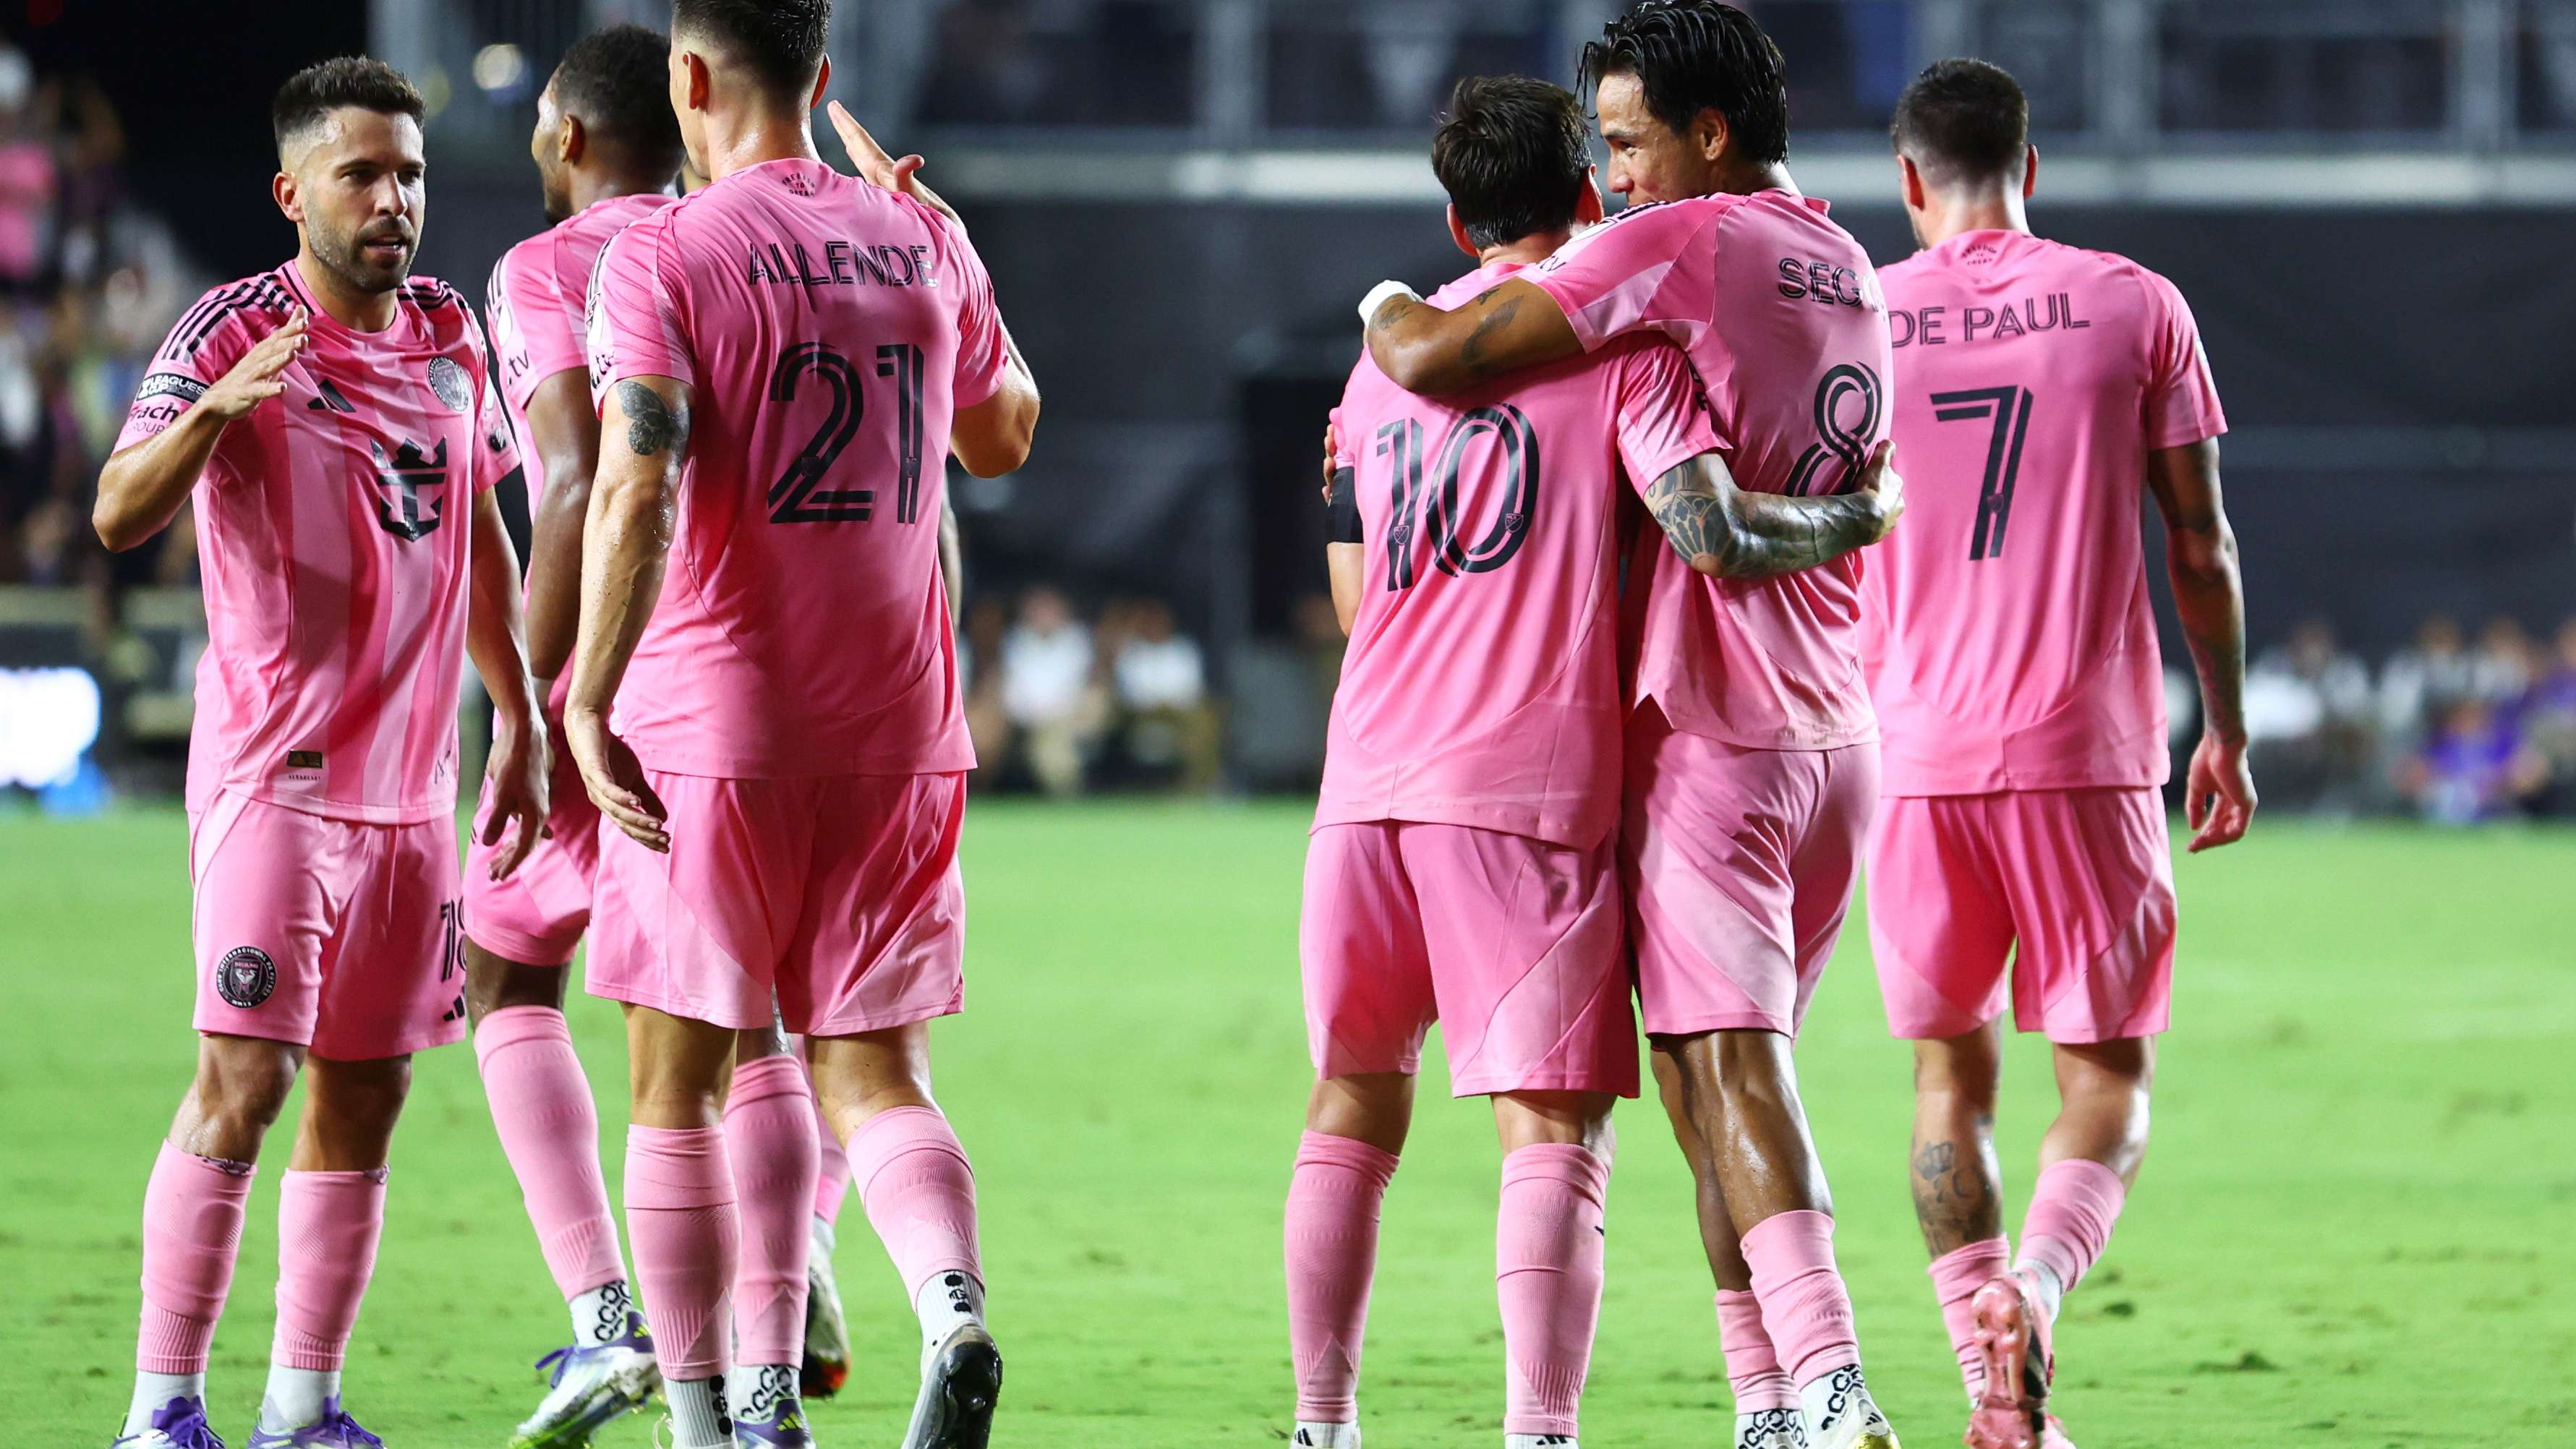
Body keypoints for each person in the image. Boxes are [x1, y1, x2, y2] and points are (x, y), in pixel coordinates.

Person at [1308, 68, 1901, 1449]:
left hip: (1704, 738)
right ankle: (1762, 1406)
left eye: (1633, 142)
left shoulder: (1661, 264)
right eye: (1603, 154)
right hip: (1835, 730)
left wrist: (1384, 306)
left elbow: (1437, 378)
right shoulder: (1841, 256)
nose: (1619, 180)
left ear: (1708, 133)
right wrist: (1865, 511)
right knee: (1711, 1084)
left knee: (1715, 1077)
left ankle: (1825, 1386)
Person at [566, 1, 1040, 1444]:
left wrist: (584, 694)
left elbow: (636, 482)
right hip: (902, 726)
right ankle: (949, 1305)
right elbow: (1004, 433)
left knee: (681, 1081)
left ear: (687, 78)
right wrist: (948, 247)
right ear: (823, 78)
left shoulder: (661, 251)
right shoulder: (918, 235)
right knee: (872, 1071)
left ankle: (720, 1424)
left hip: (714, 729)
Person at [93, 56, 548, 1449]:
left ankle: (303, 1406)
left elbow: (477, 524)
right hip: (277, 786)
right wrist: (217, 414)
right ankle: (161, 1410)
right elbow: (118, 510)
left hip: (414, 797)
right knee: (245, 1082)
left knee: (369, 1091)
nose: (392, 198)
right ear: (294, 193)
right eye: (362, 173)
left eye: (407, 172)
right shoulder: (231, 326)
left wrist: (519, 710)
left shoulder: (453, 332)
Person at [1867, 58, 2254, 1449]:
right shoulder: (2131, 303)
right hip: (2087, 752)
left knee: (1943, 1080)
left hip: (1909, 757)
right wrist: (2224, 722)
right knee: (2103, 1081)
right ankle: (2034, 1282)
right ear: (2028, 169)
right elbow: (2196, 544)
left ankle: (1992, 1396)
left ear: (1908, 179)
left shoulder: (1858, 318)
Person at [464, 25, 686, 1447]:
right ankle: (781, 1313)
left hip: (605, 676)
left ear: (571, 136)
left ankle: (612, 1323)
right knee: (735, 1022)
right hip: (743, 687)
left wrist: (530, 707)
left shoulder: (547, 268)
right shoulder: (737, 242)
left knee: (504, 974)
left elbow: (568, 483)